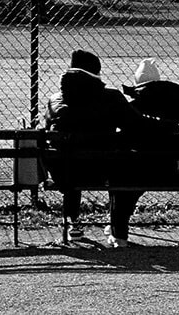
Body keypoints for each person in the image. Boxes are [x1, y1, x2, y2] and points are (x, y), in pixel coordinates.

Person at [42, 49, 141, 241]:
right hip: (103, 169)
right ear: (96, 73)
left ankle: (73, 221)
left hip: (64, 173)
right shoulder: (111, 98)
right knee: (121, 163)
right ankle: (116, 227)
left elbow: (49, 134)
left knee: (68, 156)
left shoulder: (55, 100)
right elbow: (135, 126)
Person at [107, 59, 179, 247]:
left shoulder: (132, 106)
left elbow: (120, 136)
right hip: (168, 171)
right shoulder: (174, 105)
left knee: (121, 181)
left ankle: (118, 234)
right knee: (129, 182)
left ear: (137, 83)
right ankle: (116, 228)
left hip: (136, 169)